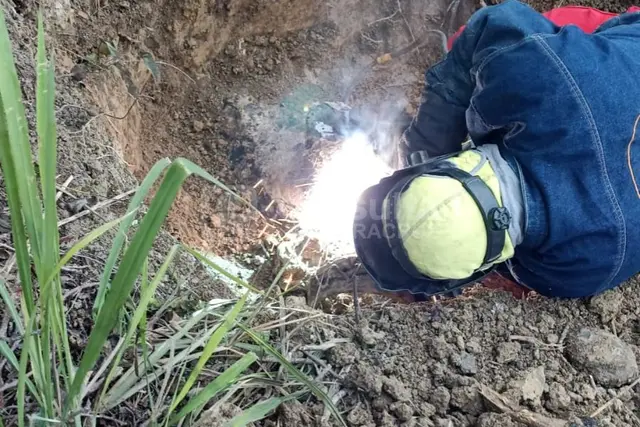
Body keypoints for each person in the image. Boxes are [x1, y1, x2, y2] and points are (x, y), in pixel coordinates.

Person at [352, 0, 640, 300]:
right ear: (443, 167)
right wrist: (432, 137)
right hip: (588, 81)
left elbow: (513, 270)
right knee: (510, 48)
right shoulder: (533, 75)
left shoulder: (576, 272)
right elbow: (490, 24)